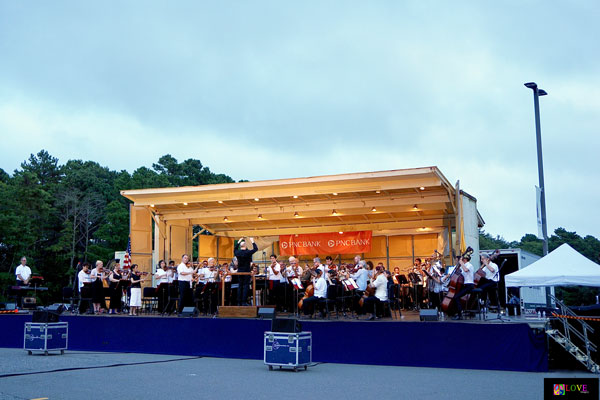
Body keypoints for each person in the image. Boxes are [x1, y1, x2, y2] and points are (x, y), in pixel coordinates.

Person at [234, 237, 258, 306]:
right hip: (246, 271)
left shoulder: (237, 252)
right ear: (246, 246)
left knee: (240, 286)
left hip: (240, 271)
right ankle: (244, 302)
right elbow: (255, 249)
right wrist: (252, 241)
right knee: (245, 286)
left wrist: (239, 241)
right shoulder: (248, 252)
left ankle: (239, 302)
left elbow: (235, 249)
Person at [452, 254, 475, 320]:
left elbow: (465, 270)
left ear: (464, 259)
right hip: (464, 285)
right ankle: (456, 312)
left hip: (469, 285)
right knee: (456, 296)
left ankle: (460, 315)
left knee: (456, 297)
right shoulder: (463, 266)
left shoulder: (469, 265)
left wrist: (461, 263)